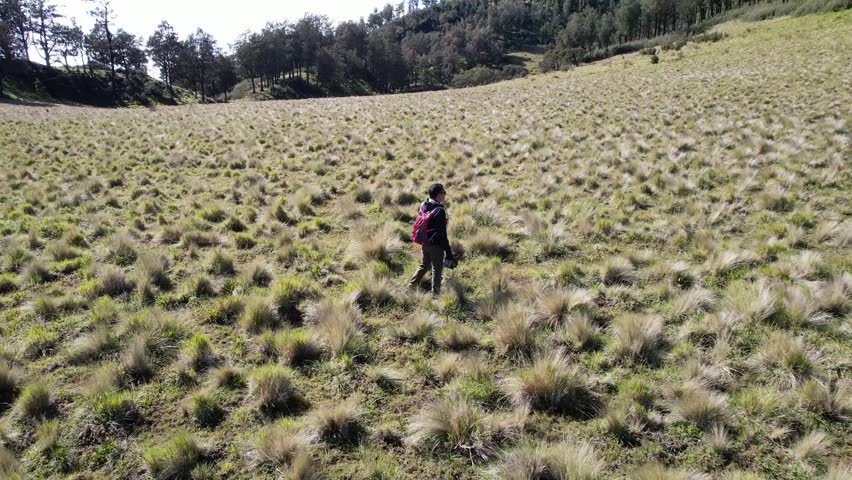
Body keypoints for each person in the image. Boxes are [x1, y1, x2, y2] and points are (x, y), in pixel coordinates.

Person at [409, 183, 455, 295]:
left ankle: (410, 287)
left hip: (425, 243)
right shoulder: (439, 210)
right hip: (436, 246)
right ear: (438, 195)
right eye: (443, 192)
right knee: (437, 270)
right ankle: (435, 296)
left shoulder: (424, 205)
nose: (445, 194)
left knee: (424, 266)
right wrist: (449, 253)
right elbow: (442, 235)